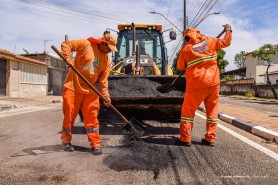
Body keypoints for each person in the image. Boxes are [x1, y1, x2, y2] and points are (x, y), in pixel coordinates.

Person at [60, 31, 117, 155]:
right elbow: (66, 44)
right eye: (109, 48)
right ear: (103, 43)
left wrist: (106, 96)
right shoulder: (86, 44)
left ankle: (95, 145)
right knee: (69, 114)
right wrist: (68, 57)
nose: (110, 51)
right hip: (73, 86)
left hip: (91, 90)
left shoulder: (107, 61)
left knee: (92, 117)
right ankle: (66, 141)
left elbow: (103, 81)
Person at [176, 24, 232, 147]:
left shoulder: (186, 49)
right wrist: (228, 30)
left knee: (188, 112)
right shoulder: (211, 41)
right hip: (213, 83)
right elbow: (226, 42)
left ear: (187, 37)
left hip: (196, 84)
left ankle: (185, 138)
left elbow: (180, 67)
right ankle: (210, 138)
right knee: (212, 111)